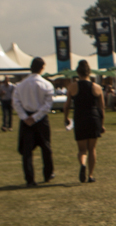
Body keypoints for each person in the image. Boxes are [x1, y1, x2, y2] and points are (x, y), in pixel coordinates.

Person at [13, 58, 55, 187]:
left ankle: (30, 179)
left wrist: (25, 117)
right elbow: (47, 104)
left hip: (26, 119)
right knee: (46, 148)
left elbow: (16, 102)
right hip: (40, 119)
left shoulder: (20, 85)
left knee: (27, 152)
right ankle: (48, 174)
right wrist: (36, 117)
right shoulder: (46, 84)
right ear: (42, 67)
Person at [63, 59, 105, 182]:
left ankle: (82, 164)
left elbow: (67, 106)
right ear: (89, 72)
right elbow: (101, 108)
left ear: (78, 72)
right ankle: (90, 175)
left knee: (82, 149)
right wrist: (102, 125)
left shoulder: (72, 87)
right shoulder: (97, 87)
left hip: (80, 117)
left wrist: (66, 118)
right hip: (93, 118)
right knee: (92, 148)